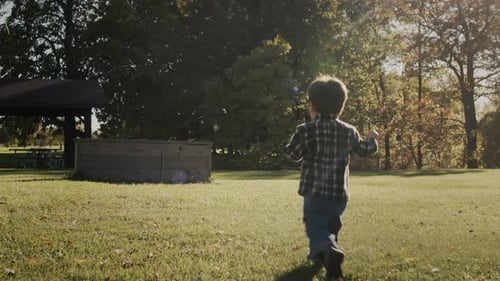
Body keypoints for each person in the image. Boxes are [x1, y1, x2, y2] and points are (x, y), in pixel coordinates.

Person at [284, 75, 379, 281]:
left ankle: (327, 250)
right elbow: (363, 149)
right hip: (339, 194)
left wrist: (288, 145)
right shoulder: (349, 131)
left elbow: (292, 155)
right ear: (340, 108)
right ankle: (323, 257)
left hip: (314, 192)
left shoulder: (305, 130)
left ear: (312, 105)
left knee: (316, 226)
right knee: (331, 226)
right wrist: (372, 139)